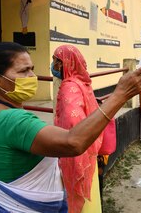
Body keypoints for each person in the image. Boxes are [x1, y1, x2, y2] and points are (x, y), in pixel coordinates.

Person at [0, 42, 141, 212]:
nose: (33, 76)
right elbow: (73, 142)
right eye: (24, 71)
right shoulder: (14, 121)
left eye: (32, 69)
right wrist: (121, 94)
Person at [52, 45, 107, 212]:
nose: (53, 65)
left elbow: (73, 124)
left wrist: (76, 162)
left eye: (55, 60)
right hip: (88, 153)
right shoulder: (82, 82)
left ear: (62, 64)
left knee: (78, 196)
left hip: (77, 155)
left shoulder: (70, 87)